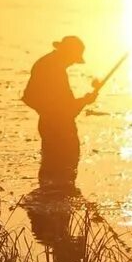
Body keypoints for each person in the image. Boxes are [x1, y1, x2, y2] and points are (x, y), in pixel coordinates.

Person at [22, 35, 98, 189]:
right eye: (73, 59)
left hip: (47, 122)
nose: (72, 63)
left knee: (49, 168)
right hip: (59, 127)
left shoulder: (46, 63)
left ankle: (49, 200)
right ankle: (58, 202)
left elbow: (29, 97)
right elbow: (66, 109)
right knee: (65, 167)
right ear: (67, 53)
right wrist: (85, 100)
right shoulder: (54, 70)